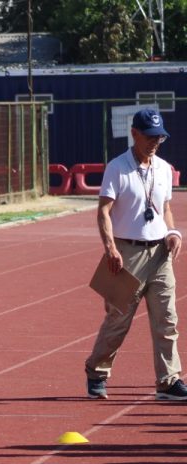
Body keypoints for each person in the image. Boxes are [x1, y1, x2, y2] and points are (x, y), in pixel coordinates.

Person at [85, 109, 187, 400]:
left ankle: (168, 382)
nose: (155, 142)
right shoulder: (118, 167)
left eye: (160, 137)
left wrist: (173, 232)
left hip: (160, 253)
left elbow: (165, 208)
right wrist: (111, 249)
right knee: (118, 320)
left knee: (167, 320)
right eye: (150, 137)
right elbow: (104, 210)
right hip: (126, 252)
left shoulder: (164, 169)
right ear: (135, 134)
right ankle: (96, 371)